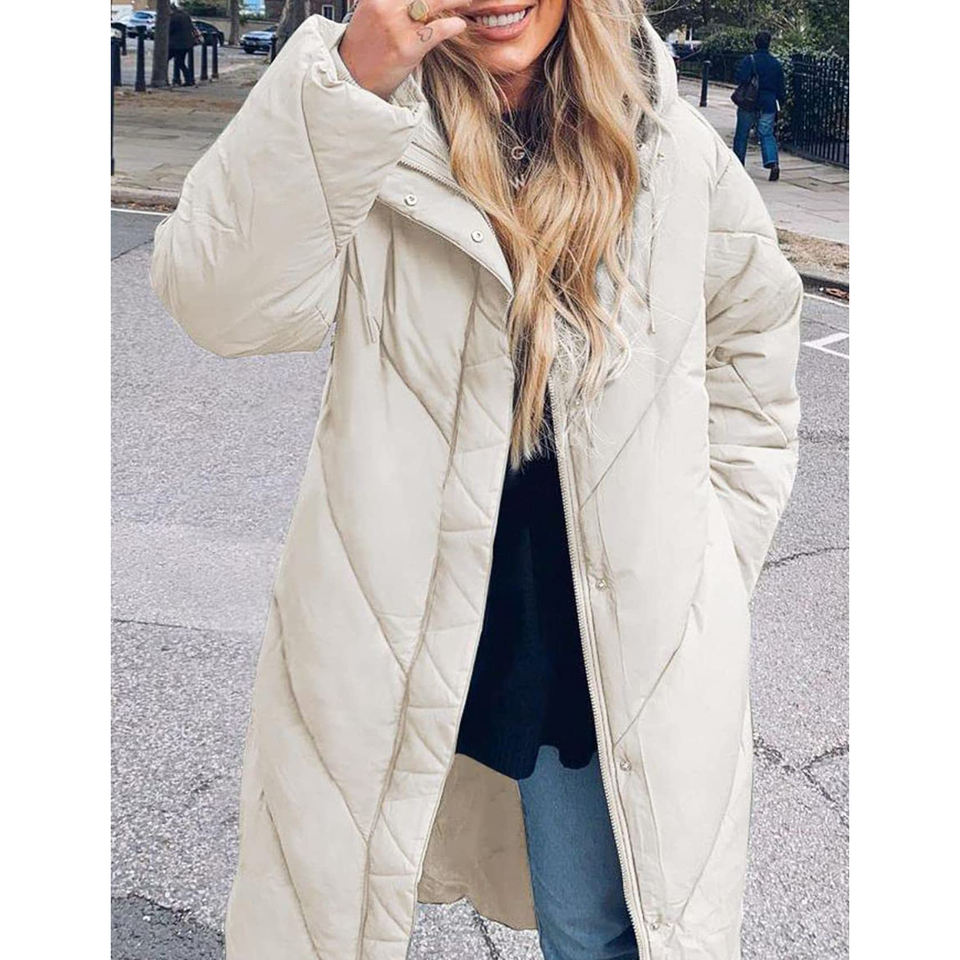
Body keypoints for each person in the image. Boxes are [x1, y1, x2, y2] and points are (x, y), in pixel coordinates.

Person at [151, 4, 802, 959]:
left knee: (606, 933)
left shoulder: (666, 141)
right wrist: (351, 78)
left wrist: (709, 562)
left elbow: (755, 343)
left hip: (603, 651)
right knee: (328, 924)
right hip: (386, 630)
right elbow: (220, 304)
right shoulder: (378, 120)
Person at [733, 30, 786, 180]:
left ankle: (738, 165)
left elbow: (740, 78)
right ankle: (773, 163)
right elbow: (781, 87)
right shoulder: (775, 63)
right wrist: (780, 102)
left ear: (755, 43)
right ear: (769, 44)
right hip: (768, 103)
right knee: (767, 133)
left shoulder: (749, 60)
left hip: (749, 102)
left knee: (742, 134)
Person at [167, 2, 197, 86]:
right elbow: (191, 27)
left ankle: (183, 79)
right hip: (187, 43)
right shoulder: (185, 15)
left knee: (165, 60)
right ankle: (184, 79)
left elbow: (169, 30)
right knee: (180, 61)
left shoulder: (173, 18)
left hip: (176, 44)